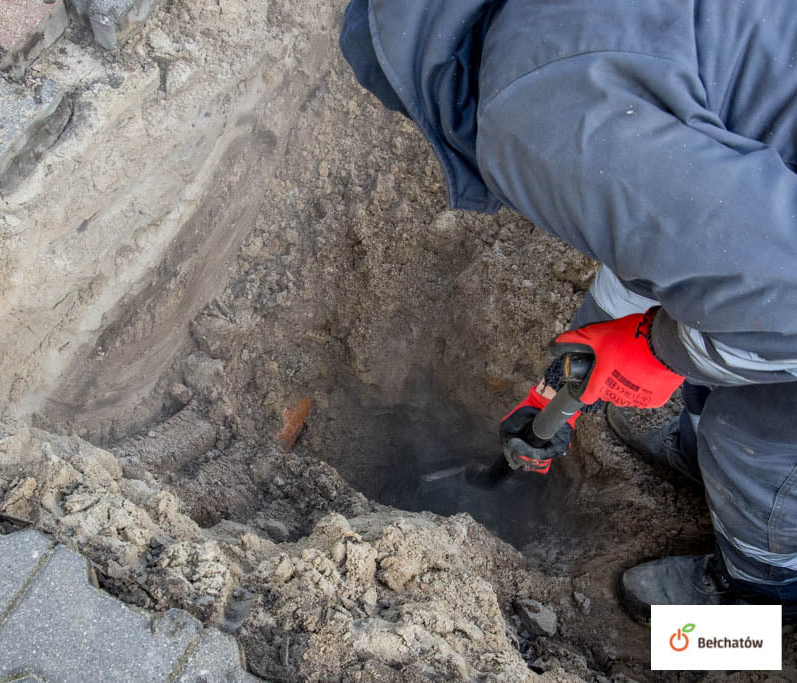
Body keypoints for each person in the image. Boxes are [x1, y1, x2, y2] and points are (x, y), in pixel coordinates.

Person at [340, 0, 797, 621]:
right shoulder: (554, 31)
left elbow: (780, 303)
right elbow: (670, 234)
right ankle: (717, 471)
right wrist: (559, 385)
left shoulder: (535, 122)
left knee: (757, 441)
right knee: (724, 356)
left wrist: (662, 350)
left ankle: (760, 597)